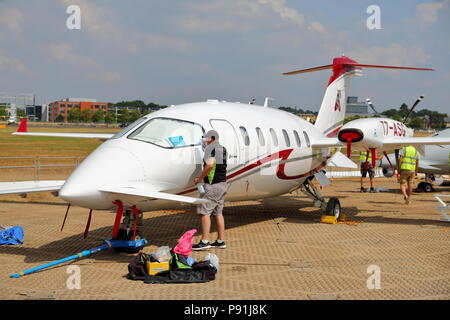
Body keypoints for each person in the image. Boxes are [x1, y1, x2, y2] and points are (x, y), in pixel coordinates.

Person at [192, 130, 228, 250]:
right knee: (218, 213)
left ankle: (205, 241)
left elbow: (210, 165)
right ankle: (220, 240)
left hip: (213, 185)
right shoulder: (223, 149)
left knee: (204, 212)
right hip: (222, 184)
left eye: (205, 139)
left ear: (211, 138)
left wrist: (199, 178)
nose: (204, 141)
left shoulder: (211, 149)